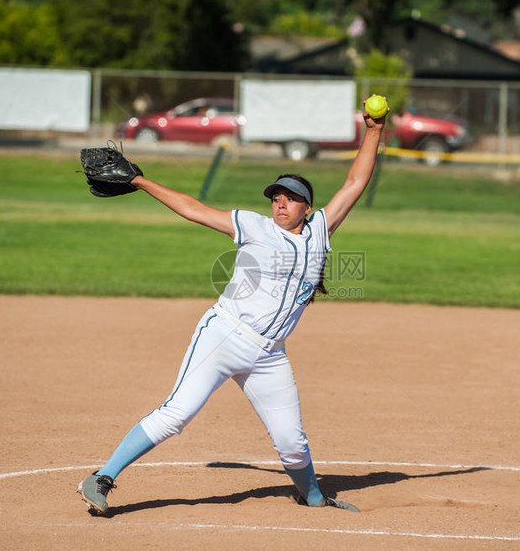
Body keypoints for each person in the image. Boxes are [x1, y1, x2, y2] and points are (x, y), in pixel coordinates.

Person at [77, 100, 388, 515]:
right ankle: (102, 477)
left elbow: (354, 182)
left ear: (307, 209)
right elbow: (194, 209)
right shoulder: (254, 226)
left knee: (291, 439)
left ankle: (313, 495)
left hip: (269, 356)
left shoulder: (319, 233)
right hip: (223, 337)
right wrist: (140, 181)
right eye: (276, 196)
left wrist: (374, 131)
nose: (281, 202)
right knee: (177, 414)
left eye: (291, 198)